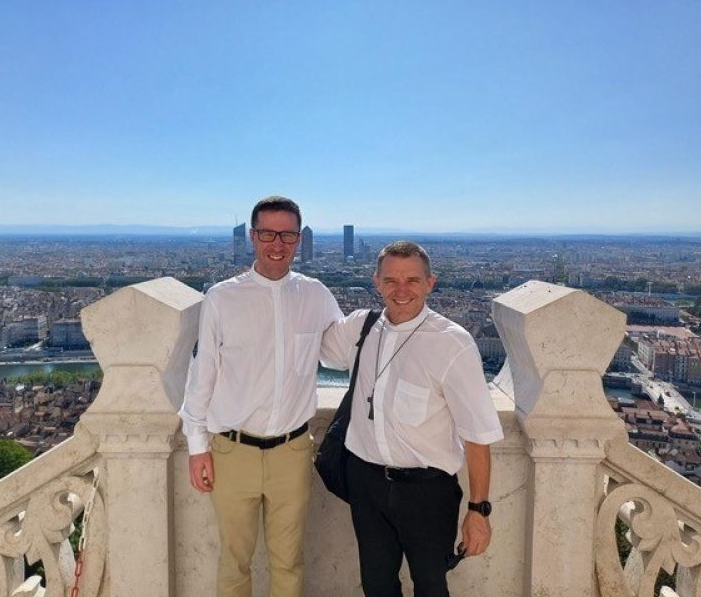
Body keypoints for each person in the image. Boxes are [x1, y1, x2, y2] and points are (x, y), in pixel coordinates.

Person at [320, 240, 503, 597]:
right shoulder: (360, 328)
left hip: (427, 492)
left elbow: (477, 435)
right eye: (390, 280)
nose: (400, 290)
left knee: (431, 586)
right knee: (376, 585)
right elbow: (311, 345)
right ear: (376, 282)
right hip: (365, 482)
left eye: (412, 280)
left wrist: (478, 510)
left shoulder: (452, 343)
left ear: (430, 283)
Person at [179, 196, 342, 597]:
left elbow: (339, 353)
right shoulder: (221, 297)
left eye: (287, 235)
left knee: (289, 561)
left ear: (299, 239)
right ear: (252, 236)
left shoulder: (316, 295)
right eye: (268, 234)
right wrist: (197, 447)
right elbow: (203, 375)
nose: (277, 244)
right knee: (234, 561)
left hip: (292, 452)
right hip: (232, 452)